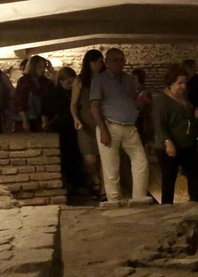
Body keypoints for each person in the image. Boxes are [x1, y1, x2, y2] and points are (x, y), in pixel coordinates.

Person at [89, 47, 150, 204]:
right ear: (107, 62)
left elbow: (130, 99)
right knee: (111, 168)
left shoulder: (128, 79)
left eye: (122, 60)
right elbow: (94, 106)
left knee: (141, 161)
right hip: (110, 126)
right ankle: (114, 203)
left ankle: (139, 198)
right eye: (115, 60)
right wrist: (103, 130)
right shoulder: (99, 80)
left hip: (130, 127)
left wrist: (139, 104)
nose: (119, 63)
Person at [153, 63, 198, 204]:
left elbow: (183, 116)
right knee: (169, 180)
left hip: (187, 144)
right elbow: (159, 125)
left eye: (185, 83)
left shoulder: (183, 97)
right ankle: (166, 209)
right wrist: (168, 143)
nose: (183, 86)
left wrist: (195, 115)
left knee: (194, 175)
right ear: (170, 82)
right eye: (179, 83)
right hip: (170, 146)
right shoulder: (161, 101)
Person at [70, 49, 106, 200]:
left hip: (103, 120)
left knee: (105, 158)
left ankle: (104, 190)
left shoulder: (106, 79)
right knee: (90, 159)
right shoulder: (80, 81)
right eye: (94, 62)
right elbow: (73, 104)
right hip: (86, 122)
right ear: (88, 63)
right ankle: (96, 181)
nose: (98, 65)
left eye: (100, 62)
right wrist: (76, 118)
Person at [45, 66, 85, 193]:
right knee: (63, 158)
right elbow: (47, 111)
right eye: (68, 82)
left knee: (76, 158)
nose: (71, 85)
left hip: (73, 129)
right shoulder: (53, 93)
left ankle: (77, 185)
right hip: (60, 129)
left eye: (72, 82)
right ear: (61, 81)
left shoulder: (74, 92)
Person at [14, 55, 53, 132]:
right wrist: (25, 120)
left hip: (41, 119)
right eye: (40, 67)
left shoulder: (44, 81)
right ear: (33, 67)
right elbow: (20, 102)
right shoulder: (24, 81)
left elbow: (57, 85)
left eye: (44, 67)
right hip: (28, 118)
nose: (42, 70)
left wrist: (52, 71)